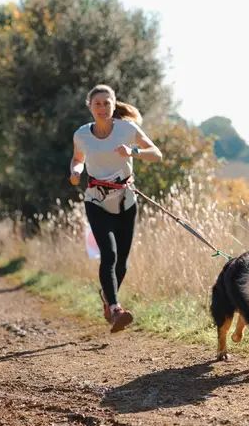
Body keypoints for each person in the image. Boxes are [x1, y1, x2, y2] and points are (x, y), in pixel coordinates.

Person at [70, 84, 162, 333]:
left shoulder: (127, 129)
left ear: (113, 104)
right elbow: (78, 159)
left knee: (122, 262)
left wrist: (133, 151)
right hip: (96, 200)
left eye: (106, 103)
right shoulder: (82, 135)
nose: (102, 108)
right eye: (97, 103)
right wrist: (76, 171)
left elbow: (156, 154)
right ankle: (115, 309)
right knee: (108, 255)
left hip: (126, 200)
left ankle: (106, 297)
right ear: (89, 106)